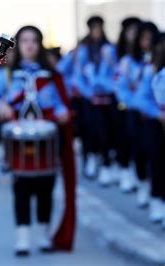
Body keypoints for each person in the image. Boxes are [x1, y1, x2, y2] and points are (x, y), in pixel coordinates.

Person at [0, 25, 71, 255]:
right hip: (18, 143)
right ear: (18, 45)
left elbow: (60, 102)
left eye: (34, 40)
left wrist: (62, 111)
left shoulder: (50, 76)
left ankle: (44, 235)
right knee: (22, 189)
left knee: (46, 188)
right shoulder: (6, 74)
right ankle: (23, 237)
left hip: (47, 142)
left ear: (40, 45)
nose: (29, 45)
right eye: (24, 40)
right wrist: (1, 106)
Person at [116, 21, 159, 207]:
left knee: (155, 155)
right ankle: (143, 184)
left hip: (155, 116)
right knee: (138, 150)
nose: (147, 42)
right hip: (135, 112)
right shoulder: (128, 62)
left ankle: (156, 191)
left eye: (151, 38)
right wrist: (138, 103)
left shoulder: (157, 61)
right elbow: (121, 88)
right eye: (144, 38)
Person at [73, 16, 115, 182]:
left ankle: (106, 163)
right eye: (93, 28)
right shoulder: (84, 50)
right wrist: (89, 93)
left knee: (106, 131)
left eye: (99, 28)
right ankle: (90, 158)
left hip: (107, 98)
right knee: (89, 130)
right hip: (89, 99)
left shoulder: (109, 49)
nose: (97, 32)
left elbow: (115, 74)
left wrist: (104, 86)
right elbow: (78, 76)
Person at [133, 32, 164, 224]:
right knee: (157, 162)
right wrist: (158, 113)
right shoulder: (151, 71)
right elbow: (140, 99)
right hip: (155, 123)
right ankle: (157, 200)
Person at [110, 17, 142, 192]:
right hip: (125, 105)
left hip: (142, 107)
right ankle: (125, 172)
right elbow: (118, 83)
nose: (133, 35)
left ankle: (139, 175)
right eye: (130, 31)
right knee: (123, 137)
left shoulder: (144, 56)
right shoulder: (119, 55)